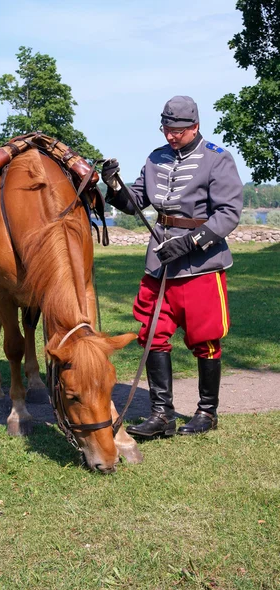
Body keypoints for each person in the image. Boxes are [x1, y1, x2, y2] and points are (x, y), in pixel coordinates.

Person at [102, 95, 243, 437]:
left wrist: (191, 242)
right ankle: (161, 414)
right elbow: (135, 203)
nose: (171, 136)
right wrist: (113, 184)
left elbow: (229, 213)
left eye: (178, 130)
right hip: (160, 262)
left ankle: (207, 412)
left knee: (205, 338)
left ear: (195, 126)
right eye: (166, 128)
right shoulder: (154, 158)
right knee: (152, 334)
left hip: (201, 264)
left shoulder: (217, 159)